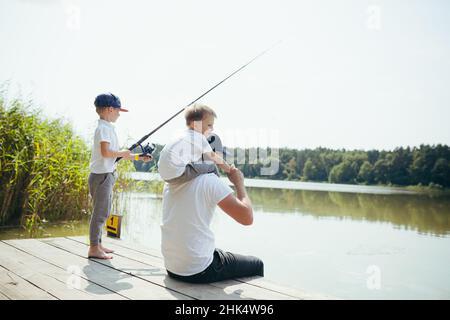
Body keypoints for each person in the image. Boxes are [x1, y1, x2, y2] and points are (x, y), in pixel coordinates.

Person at [160, 141, 264, 283]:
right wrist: (239, 184)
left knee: (217, 252)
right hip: (199, 270)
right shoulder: (209, 180)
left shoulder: (171, 181)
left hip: (172, 267)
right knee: (257, 264)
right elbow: (247, 218)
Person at [88, 93, 151, 259]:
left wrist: (138, 157)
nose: (119, 114)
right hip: (102, 176)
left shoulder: (106, 128)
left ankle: (98, 244)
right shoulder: (103, 129)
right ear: (110, 109)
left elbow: (115, 155)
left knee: (104, 211)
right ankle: (94, 248)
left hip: (104, 175)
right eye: (117, 110)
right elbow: (106, 152)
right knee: (100, 213)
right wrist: (122, 152)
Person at [158, 103, 232, 186]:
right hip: (178, 175)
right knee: (211, 164)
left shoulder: (181, 135)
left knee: (200, 159)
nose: (212, 128)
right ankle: (218, 188)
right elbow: (215, 159)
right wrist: (230, 170)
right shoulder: (198, 138)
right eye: (209, 125)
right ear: (195, 125)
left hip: (164, 175)